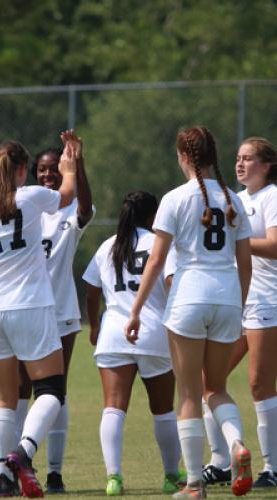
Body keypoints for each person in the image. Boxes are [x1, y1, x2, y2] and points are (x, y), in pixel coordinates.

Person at [125, 126, 253, 499]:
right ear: (214, 155)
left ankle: (195, 484)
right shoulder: (234, 199)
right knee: (217, 389)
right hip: (227, 298)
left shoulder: (175, 198)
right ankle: (237, 445)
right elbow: (244, 261)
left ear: (183, 156)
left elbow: (156, 261)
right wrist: (240, 304)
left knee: (188, 393)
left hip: (188, 299)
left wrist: (135, 311)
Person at [0, 137, 76, 498]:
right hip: (30, 305)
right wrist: (69, 163)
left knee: (2, 398)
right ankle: (23, 452)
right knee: (52, 390)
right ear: (24, 170)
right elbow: (68, 195)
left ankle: (2, 477)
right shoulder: (30, 197)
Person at [83, 191, 185, 496]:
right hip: (153, 333)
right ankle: (170, 476)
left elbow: (90, 290)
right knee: (163, 410)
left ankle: (113, 478)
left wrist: (95, 324)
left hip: (113, 333)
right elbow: (171, 284)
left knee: (113, 408)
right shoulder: (161, 244)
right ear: (154, 217)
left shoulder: (107, 246)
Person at [16, 130, 94, 493]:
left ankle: (55, 472)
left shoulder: (69, 212)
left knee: (55, 391)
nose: (48, 175)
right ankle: (12, 464)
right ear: (34, 175)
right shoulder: (28, 209)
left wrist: (78, 163)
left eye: (54, 170)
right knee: (18, 389)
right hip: (25, 307)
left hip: (60, 311)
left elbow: (85, 208)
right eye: (42, 171)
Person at [202, 137, 277, 489]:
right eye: (238, 158)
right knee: (208, 381)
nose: (240, 164)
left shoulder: (271, 196)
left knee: (260, 385)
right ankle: (219, 461)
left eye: (249, 159)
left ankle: (272, 468)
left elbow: (275, 245)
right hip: (239, 299)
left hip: (267, 302)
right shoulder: (236, 199)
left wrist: (238, 243)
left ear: (267, 165)